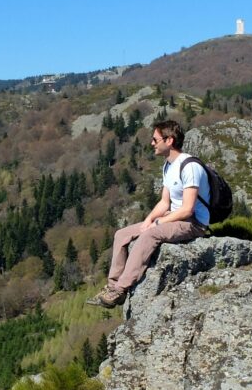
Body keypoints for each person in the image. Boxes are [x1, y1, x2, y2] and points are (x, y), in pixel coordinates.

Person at [89, 120, 210, 308]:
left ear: (169, 140)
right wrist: (148, 220)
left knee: (150, 234)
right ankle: (112, 285)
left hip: (194, 223)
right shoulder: (168, 166)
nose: (152, 143)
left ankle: (121, 289)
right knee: (122, 234)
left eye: (155, 139)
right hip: (175, 216)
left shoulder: (190, 167)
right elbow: (164, 202)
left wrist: (158, 224)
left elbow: (188, 209)